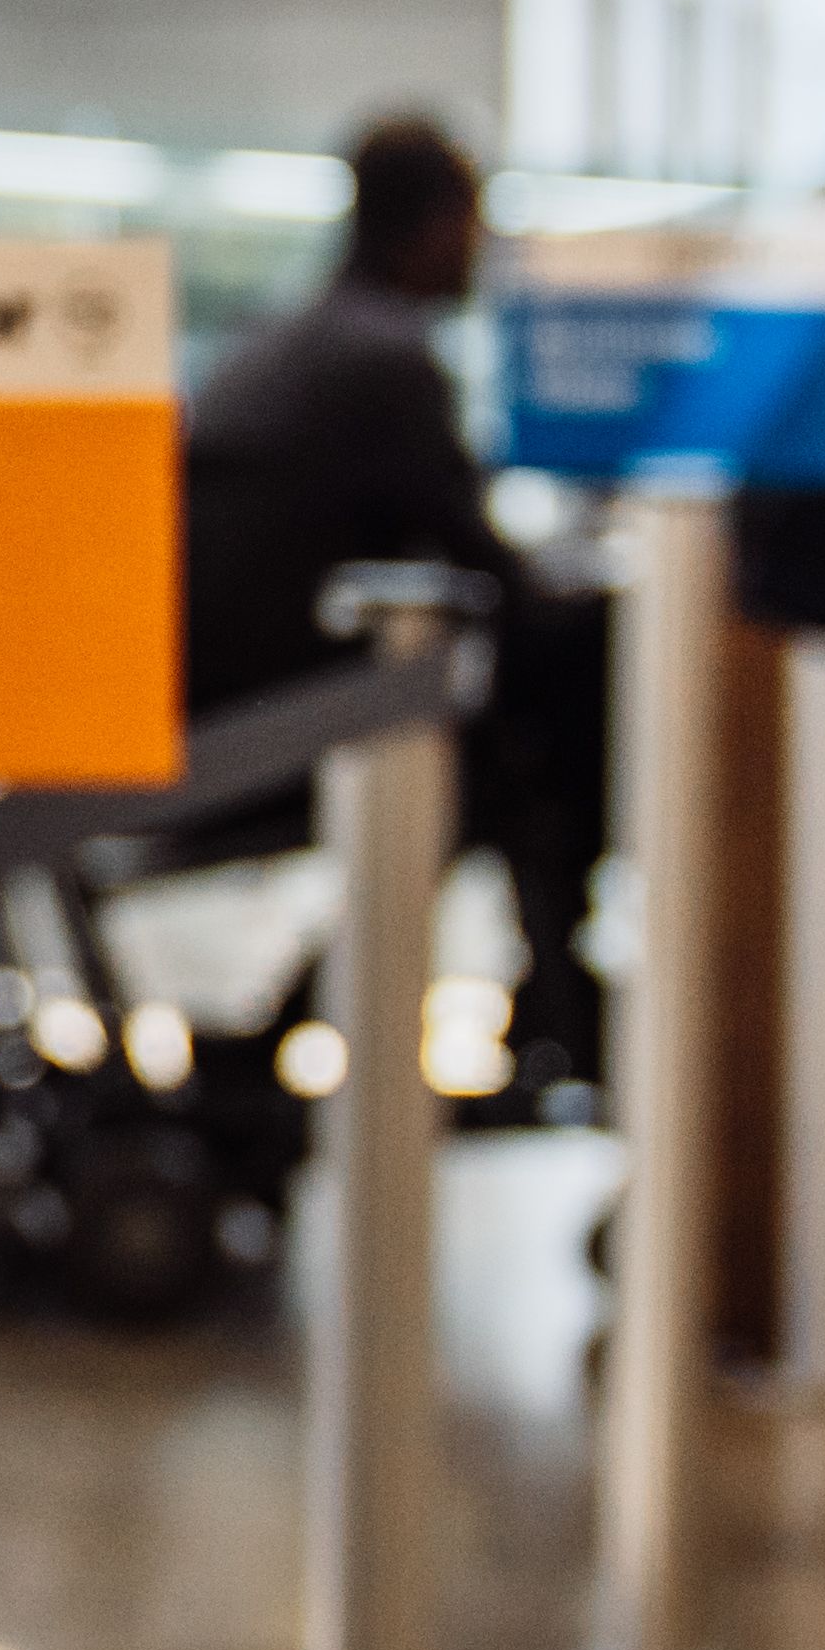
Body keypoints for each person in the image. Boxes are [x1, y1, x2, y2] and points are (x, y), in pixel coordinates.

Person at [181, 114, 603, 1089]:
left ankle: (273, 1052)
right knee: (509, 769)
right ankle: (558, 1012)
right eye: (473, 221)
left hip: (222, 686)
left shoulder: (285, 340)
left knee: (478, 772)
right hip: (272, 716)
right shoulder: (385, 365)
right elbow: (493, 570)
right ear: (433, 222)